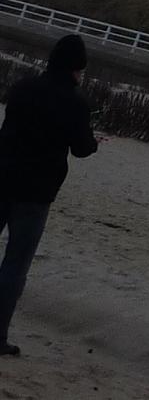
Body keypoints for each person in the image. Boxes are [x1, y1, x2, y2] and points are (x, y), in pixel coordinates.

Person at [0, 34, 99, 356]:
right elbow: (83, 149)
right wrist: (95, 141)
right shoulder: (76, 103)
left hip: (2, 176)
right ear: (77, 68)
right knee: (15, 265)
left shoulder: (23, 88)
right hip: (35, 193)